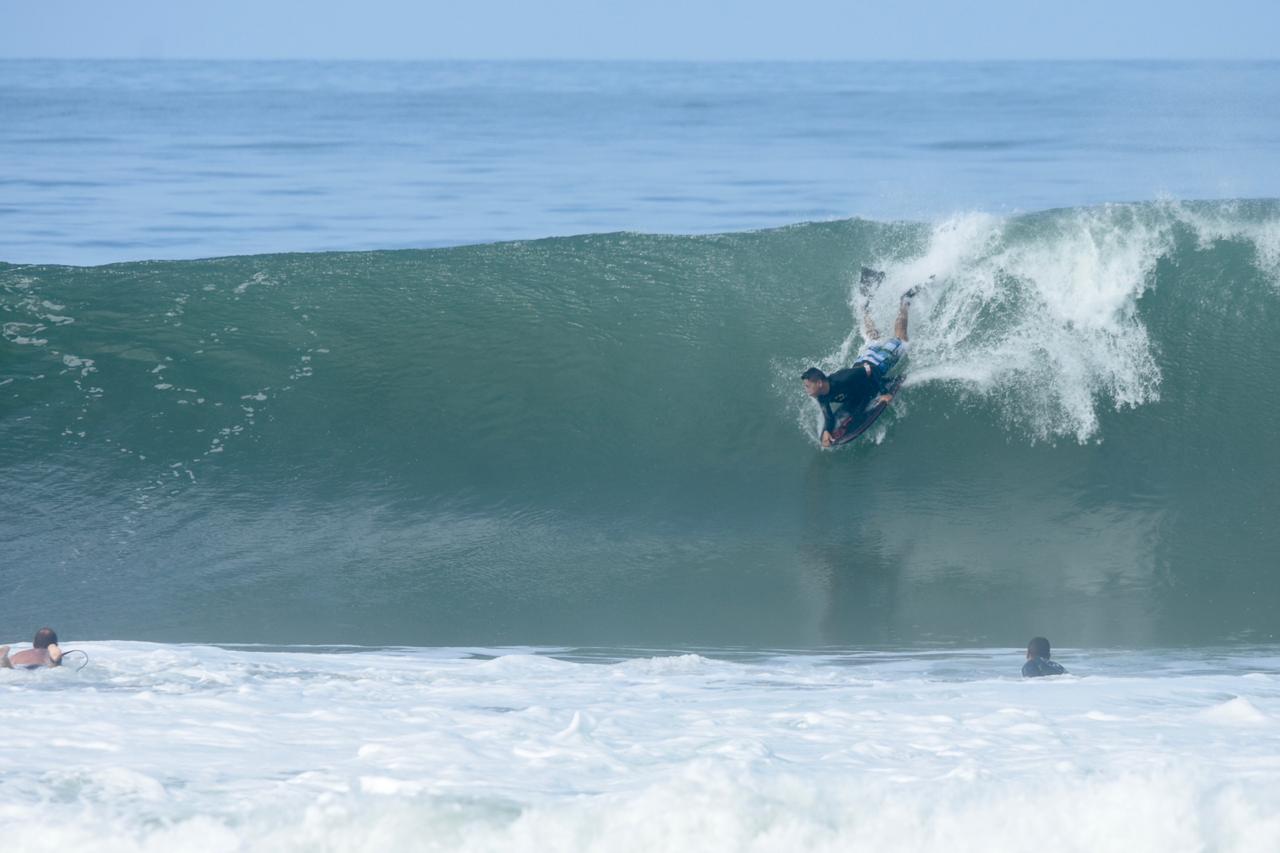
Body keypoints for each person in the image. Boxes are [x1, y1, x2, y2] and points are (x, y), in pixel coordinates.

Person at [802, 268, 919, 448]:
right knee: (873, 337)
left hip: (876, 364)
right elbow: (829, 416)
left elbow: (869, 371)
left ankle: (904, 302)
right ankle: (865, 305)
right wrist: (827, 430)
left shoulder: (843, 378)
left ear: (819, 383)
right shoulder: (822, 396)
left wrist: (884, 392)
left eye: (808, 385)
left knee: (901, 339)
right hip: (863, 359)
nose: (806, 389)